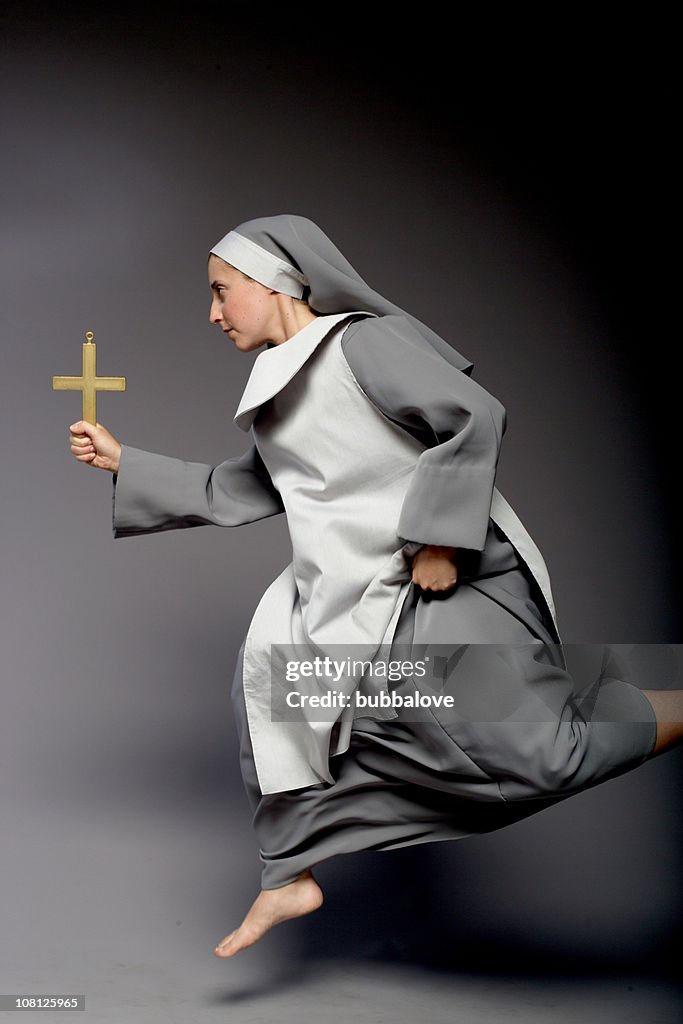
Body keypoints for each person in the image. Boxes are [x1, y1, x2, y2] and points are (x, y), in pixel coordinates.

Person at [67, 214, 683, 959]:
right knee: (275, 691)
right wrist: (124, 462)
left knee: (535, 748)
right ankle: (289, 871)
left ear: (274, 282)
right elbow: (247, 489)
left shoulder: (360, 344)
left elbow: (473, 417)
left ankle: (671, 693)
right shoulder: (282, 382)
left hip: (437, 583)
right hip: (359, 593)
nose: (213, 312)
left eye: (222, 292)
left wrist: (437, 537)